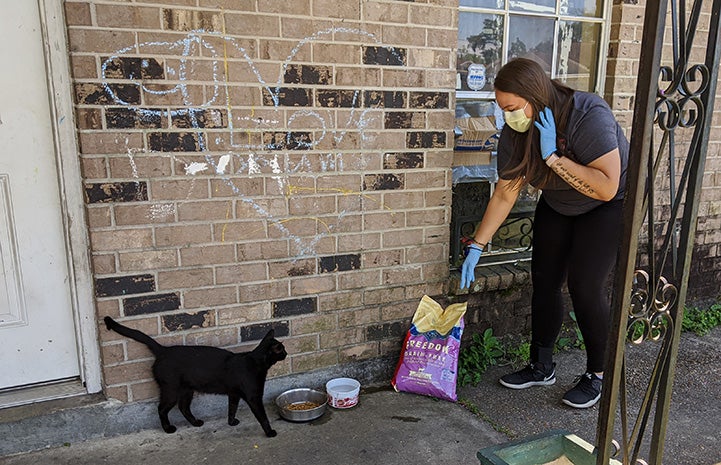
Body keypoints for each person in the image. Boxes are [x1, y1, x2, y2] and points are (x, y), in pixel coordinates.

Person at [460, 58, 629, 409]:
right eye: (501, 108)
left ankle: (600, 373)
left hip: (607, 204)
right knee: (545, 278)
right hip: (559, 201)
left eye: (510, 107)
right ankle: (541, 365)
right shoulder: (515, 134)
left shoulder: (587, 114)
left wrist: (552, 157)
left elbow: (606, 187)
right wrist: (477, 245)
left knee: (585, 284)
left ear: (533, 97)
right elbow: (506, 192)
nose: (507, 115)